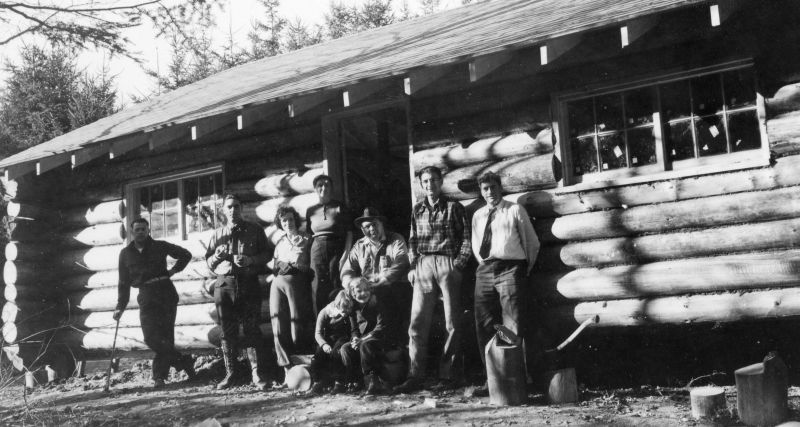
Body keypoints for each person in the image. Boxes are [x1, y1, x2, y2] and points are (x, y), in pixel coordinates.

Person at [394, 166, 471, 394]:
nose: (430, 185)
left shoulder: (453, 207)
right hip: (424, 266)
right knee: (417, 323)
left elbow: (466, 239)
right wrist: (414, 265)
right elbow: (413, 240)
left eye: (434, 180)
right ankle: (415, 375)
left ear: (441, 182)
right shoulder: (417, 209)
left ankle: (449, 376)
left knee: (452, 323)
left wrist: (457, 265)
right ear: (421, 184)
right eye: (426, 181)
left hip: (448, 264)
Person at [470, 171, 540, 397]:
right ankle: (492, 379)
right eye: (485, 189)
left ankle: (516, 378)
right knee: (484, 323)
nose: (489, 192)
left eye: (493, 187)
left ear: (500, 187)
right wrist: (485, 265)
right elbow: (475, 245)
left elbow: (532, 243)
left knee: (512, 323)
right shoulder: (479, 215)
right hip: (485, 270)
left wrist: (521, 269)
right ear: (481, 192)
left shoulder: (515, 210)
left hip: (511, 268)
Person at [114, 218, 195, 388]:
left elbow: (186, 254)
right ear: (131, 232)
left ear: (148, 230)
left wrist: (173, 270)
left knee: (165, 336)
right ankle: (183, 361)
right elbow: (123, 283)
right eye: (137, 229)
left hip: (165, 291)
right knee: (150, 337)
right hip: (145, 294)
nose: (140, 232)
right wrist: (120, 307)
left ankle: (159, 377)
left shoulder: (160, 246)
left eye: (143, 229)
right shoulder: (125, 253)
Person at [205, 193, 273, 390]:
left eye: (236, 206)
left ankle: (257, 375)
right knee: (228, 332)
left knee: (252, 329)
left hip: (248, 284)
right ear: (223, 211)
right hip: (224, 286)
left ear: (241, 209)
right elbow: (208, 262)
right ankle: (231, 374)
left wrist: (251, 261)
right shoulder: (217, 234)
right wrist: (217, 257)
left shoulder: (255, 230)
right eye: (229, 207)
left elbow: (268, 253)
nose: (232, 210)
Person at [340, 207, 411, 331]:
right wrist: (351, 285)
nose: (372, 229)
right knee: (338, 296)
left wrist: (381, 282)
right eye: (367, 226)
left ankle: (386, 336)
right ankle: (356, 335)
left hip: (391, 285)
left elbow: (401, 261)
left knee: (389, 296)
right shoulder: (359, 245)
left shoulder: (395, 239)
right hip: (367, 288)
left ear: (381, 224)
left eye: (375, 224)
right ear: (362, 229)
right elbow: (347, 268)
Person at [270, 206, 315, 386]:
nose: (287, 223)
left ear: (295, 219)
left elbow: (311, 266)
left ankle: (302, 372)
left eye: (290, 219)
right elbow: (273, 266)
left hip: (298, 285)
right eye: (283, 221)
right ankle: (287, 370)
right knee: (278, 324)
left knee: (298, 324)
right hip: (278, 284)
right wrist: (280, 264)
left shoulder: (307, 239)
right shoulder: (280, 242)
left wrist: (296, 267)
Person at [340, 277, 404, 395]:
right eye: (359, 291)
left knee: (365, 345)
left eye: (366, 290)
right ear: (353, 294)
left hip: (382, 339)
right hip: (364, 340)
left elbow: (380, 328)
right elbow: (354, 329)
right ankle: (356, 381)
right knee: (345, 348)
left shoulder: (378, 303)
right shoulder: (353, 308)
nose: (363, 293)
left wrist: (361, 340)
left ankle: (373, 380)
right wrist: (355, 338)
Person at [305, 175, 353, 316]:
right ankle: (322, 325)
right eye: (320, 185)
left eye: (327, 185)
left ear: (331, 188)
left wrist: (345, 254)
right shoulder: (310, 210)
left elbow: (349, 233)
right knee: (318, 286)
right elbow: (309, 234)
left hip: (336, 247)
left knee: (335, 284)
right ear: (315, 188)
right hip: (317, 249)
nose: (323, 188)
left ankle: (338, 326)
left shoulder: (340, 206)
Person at [306, 290, 354, 396]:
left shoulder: (349, 314)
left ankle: (339, 383)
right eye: (345, 307)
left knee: (336, 354)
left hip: (343, 338)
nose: (348, 310)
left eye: (350, 307)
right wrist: (324, 344)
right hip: (328, 339)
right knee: (318, 355)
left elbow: (353, 329)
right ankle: (318, 382)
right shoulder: (325, 312)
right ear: (337, 304)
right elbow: (318, 333)